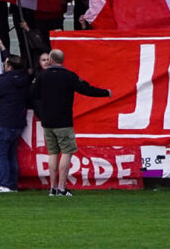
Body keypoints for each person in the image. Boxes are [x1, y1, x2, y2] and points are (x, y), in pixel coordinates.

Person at [28, 47, 109, 197]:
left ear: (51, 60)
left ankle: (52, 188)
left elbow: (33, 94)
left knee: (52, 153)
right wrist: (106, 93)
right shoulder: (69, 76)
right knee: (66, 152)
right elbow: (87, 89)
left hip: (47, 121)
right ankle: (61, 188)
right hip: (64, 120)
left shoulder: (42, 76)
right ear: (62, 60)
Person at [0, 54, 32, 193]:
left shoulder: (5, 80)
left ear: (9, 67)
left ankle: (5, 184)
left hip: (5, 121)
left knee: (3, 155)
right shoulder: (25, 79)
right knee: (12, 154)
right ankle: (12, 184)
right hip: (18, 121)